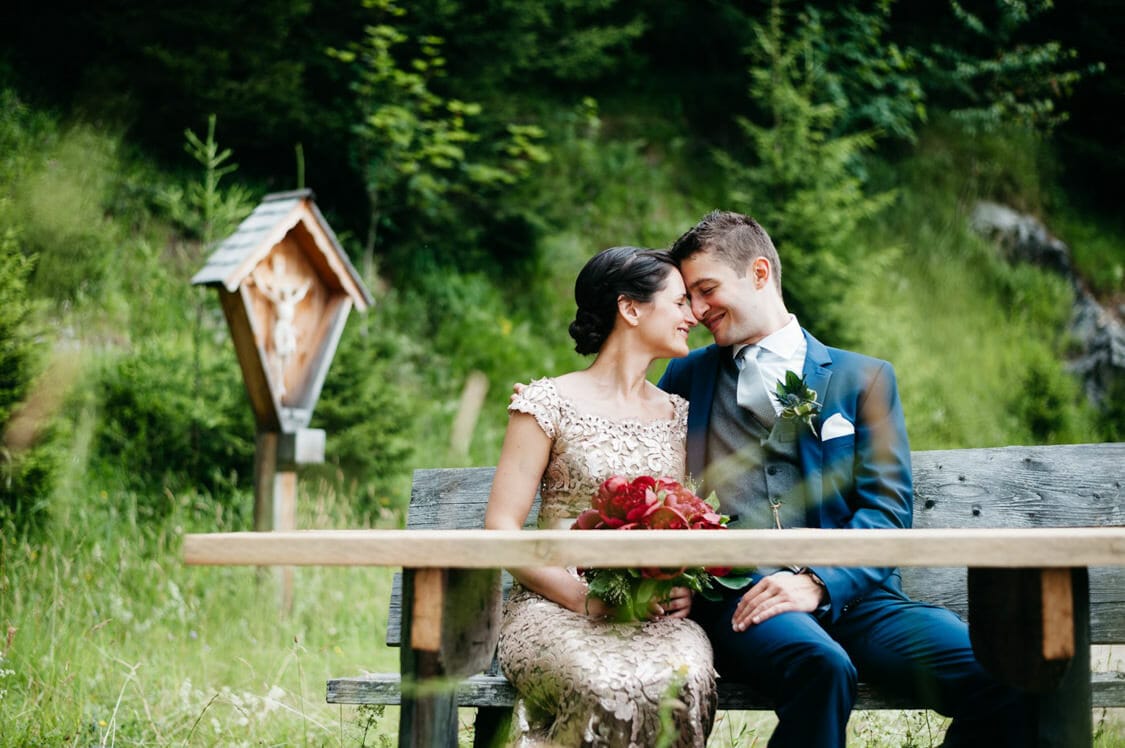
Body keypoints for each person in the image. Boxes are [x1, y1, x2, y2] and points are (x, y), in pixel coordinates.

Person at [657, 210, 1028, 747]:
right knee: (822, 666)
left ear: (760, 274)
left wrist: (817, 581)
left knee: (1008, 675)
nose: (697, 309)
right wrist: (676, 575)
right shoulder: (686, 377)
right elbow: (666, 494)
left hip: (860, 600)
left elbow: (887, 510)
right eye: (690, 296)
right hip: (743, 595)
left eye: (707, 289)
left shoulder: (864, 378)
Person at [485, 246, 717, 747]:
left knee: (683, 684)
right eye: (678, 303)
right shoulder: (545, 403)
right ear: (630, 308)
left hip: (651, 613)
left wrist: (684, 585)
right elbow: (500, 531)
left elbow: (691, 520)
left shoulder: (680, 414)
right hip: (554, 606)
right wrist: (583, 599)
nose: (692, 315)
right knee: (603, 685)